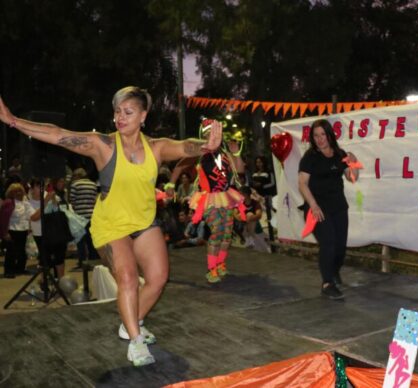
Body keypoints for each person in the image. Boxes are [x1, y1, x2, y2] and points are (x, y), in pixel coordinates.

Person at [0, 86, 221, 366]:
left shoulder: (156, 147)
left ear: (143, 116)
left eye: (128, 112)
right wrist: (13, 121)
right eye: (117, 111)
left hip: (143, 222)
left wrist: (206, 146)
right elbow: (57, 134)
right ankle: (136, 340)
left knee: (158, 278)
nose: (120, 117)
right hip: (110, 225)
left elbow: (184, 147)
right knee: (127, 277)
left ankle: (131, 321)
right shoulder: (102, 144)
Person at [172, 120, 245, 284]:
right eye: (209, 133)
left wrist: (237, 154)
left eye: (215, 132)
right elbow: (180, 165)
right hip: (208, 198)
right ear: (204, 135)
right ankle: (211, 268)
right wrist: (171, 183)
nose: (212, 135)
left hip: (226, 196)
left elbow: (239, 170)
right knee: (217, 230)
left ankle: (220, 264)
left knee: (227, 233)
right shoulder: (200, 151)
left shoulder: (224, 153)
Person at [298, 119, 359, 300]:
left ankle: (334, 271)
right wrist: (313, 205)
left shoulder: (339, 154)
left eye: (322, 135)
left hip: (339, 207)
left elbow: (352, 178)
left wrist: (353, 162)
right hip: (317, 208)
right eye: (316, 136)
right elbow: (302, 184)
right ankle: (327, 283)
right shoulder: (310, 157)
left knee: (340, 247)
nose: (319, 139)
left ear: (329, 135)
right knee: (328, 242)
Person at [0, 183, 35, 278]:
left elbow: (27, 216)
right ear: (11, 193)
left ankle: (20, 269)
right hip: (12, 231)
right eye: (16, 191)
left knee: (21, 252)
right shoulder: (8, 202)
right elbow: (3, 219)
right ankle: (8, 271)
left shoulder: (25, 202)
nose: (18, 193)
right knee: (11, 252)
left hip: (23, 231)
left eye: (20, 191)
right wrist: (5, 233)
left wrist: (29, 228)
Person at [69, 168, 99, 268]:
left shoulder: (75, 184)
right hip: (91, 215)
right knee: (91, 240)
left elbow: (72, 200)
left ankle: (82, 261)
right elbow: (94, 200)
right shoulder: (93, 184)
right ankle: (93, 260)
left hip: (79, 217)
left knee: (80, 240)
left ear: (77, 176)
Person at [234, 185, 271, 253]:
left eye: (240, 194)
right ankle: (250, 237)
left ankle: (249, 237)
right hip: (243, 225)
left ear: (246, 194)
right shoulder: (240, 203)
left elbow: (259, 215)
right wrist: (245, 217)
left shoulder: (255, 203)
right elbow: (236, 214)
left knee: (250, 215)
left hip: (253, 225)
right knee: (247, 215)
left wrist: (249, 218)